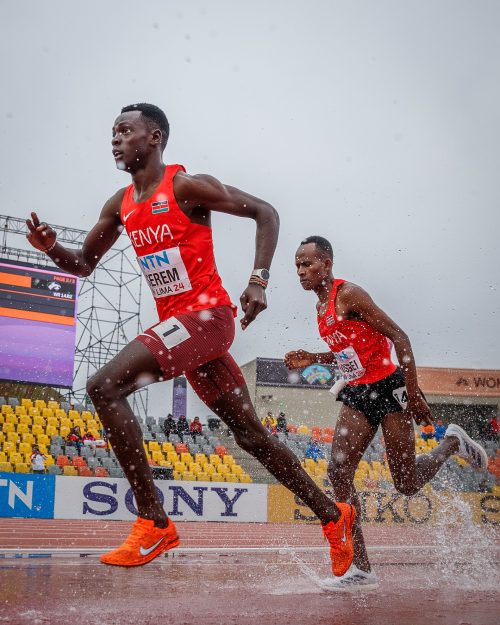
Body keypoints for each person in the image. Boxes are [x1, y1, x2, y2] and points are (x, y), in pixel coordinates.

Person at [26, 105, 354, 573]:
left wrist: (258, 279)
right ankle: (332, 516)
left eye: (125, 131)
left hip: (208, 318)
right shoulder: (119, 205)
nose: (115, 140)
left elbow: (266, 212)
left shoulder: (184, 186)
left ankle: (154, 523)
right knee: (250, 435)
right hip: (184, 332)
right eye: (112, 133)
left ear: (154, 137)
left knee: (103, 386)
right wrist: (51, 248)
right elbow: (82, 264)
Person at [285, 235, 489, 590]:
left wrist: (413, 394)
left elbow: (400, 337)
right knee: (338, 470)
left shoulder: (348, 294)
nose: (301, 271)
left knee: (406, 483)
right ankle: (361, 569)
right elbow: (350, 351)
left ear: (327, 265)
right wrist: (314, 357)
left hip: (389, 389)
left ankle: (452, 442)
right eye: (298, 266)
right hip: (358, 391)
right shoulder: (319, 307)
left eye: (308, 264)